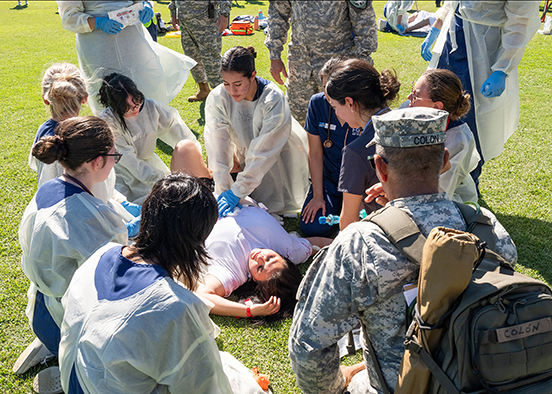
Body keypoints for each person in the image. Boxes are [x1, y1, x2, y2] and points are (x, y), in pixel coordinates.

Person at [288, 107, 518, 394]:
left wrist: (337, 389)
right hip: (487, 382)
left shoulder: (359, 243)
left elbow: (309, 348)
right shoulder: (485, 226)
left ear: (380, 168)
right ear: (445, 161)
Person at [58, 175, 265, 394]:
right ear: (196, 242)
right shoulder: (175, 308)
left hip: (74, 377)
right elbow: (206, 386)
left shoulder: (102, 253)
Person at [19, 116, 128, 363]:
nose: (115, 161)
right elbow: (116, 281)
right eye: (114, 156)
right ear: (97, 162)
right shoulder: (93, 218)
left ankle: (52, 347)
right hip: (73, 323)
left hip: (42, 309)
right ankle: (68, 367)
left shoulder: (47, 188)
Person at [420, 1, 540, 187]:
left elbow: (520, 21)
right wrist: (438, 24)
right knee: (436, 109)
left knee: (472, 121)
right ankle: (432, 178)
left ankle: (465, 185)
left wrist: (503, 68)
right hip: (453, 39)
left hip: (481, 51)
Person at [204, 46, 309, 217]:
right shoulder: (219, 97)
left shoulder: (272, 98)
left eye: (238, 84)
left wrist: (238, 191)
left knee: (273, 204)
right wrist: (223, 189)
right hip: (245, 152)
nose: (231, 91)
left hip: (278, 154)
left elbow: (265, 152)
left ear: (253, 76)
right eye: (226, 84)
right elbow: (218, 144)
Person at [57, 0, 197, 115]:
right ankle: (114, 140)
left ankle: (146, 133)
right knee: (106, 91)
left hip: (132, 39)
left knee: (144, 83)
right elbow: (69, 17)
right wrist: (98, 21)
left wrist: (146, 4)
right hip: (98, 44)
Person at [197, 202, 330, 319]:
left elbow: (203, 295)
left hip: (201, 206)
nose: (259, 257)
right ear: (282, 256)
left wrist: (248, 310)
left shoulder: (232, 272)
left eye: (259, 268)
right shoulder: (290, 249)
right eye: (270, 257)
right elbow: (320, 243)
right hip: (238, 191)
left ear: (255, 280)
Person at [98, 72, 212, 204]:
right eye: (127, 109)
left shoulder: (151, 107)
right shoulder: (108, 121)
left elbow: (176, 128)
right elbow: (130, 161)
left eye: (137, 103)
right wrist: (160, 178)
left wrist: (194, 157)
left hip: (148, 163)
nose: (135, 110)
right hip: (124, 172)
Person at [265, 1, 378, 125]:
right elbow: (278, 13)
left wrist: (362, 62)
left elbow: (364, 20)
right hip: (300, 66)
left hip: (337, 69)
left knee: (342, 125)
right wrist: (274, 55)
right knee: (297, 123)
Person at [324, 58, 400, 230]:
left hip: (386, 234)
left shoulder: (356, 151)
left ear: (350, 103)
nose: (337, 114)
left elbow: (349, 221)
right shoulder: (408, 123)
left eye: (335, 107)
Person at [300, 56, 362, 238]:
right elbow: (316, 153)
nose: (329, 95)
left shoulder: (361, 107)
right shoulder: (317, 103)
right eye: (326, 89)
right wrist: (318, 195)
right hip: (328, 181)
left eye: (334, 89)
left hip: (358, 184)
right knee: (311, 227)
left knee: (360, 227)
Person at [408, 69, 480, 203]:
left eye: (415, 95)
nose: (408, 97)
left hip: (450, 205)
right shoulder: (414, 114)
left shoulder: (458, 141)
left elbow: (439, 191)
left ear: (436, 106)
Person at [169, 0, 231, 102]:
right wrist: (173, 12)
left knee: (211, 58)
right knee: (192, 57)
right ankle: (203, 90)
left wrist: (224, 14)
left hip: (206, 18)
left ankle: (222, 93)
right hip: (185, 20)